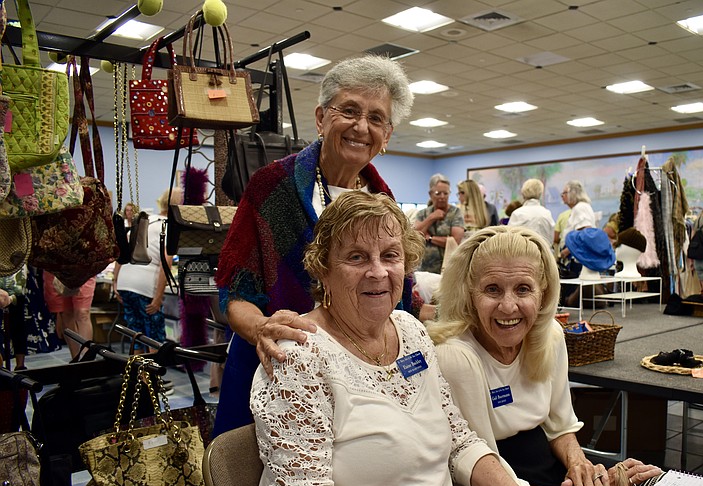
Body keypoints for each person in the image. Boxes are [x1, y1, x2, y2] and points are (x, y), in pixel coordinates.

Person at [252, 192, 599, 486]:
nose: (378, 271)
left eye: (390, 255)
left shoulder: (410, 331)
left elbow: (458, 440)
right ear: (322, 268)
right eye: (356, 257)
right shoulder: (298, 358)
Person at [215, 54, 415, 437]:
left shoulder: (383, 201)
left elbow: (400, 294)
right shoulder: (272, 186)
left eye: (376, 118)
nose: (361, 126)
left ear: (387, 135)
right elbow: (233, 291)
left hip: (359, 377)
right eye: (350, 111)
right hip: (277, 370)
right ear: (321, 118)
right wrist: (261, 328)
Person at [428, 226, 661, 486]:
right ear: (469, 294)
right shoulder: (456, 357)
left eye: (523, 289)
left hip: (545, 476)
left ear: (543, 293)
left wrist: (581, 467)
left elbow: (559, 426)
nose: (508, 306)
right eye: (492, 289)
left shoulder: (549, 336)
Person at [112, 189, 178, 352]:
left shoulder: (146, 221)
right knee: (154, 339)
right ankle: (152, 376)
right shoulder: (168, 227)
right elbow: (165, 265)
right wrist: (158, 298)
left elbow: (123, 251)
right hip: (145, 288)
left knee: (136, 335)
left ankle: (138, 376)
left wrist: (115, 282)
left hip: (125, 284)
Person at [413, 173, 464, 273]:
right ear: (430, 194)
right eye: (438, 193)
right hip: (424, 269)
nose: (442, 197)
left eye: (446, 193)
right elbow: (414, 236)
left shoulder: (455, 213)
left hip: (448, 268)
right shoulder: (422, 214)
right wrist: (431, 218)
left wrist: (430, 238)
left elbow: (454, 241)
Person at [42, 271, 96, 360]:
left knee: (82, 313)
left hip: (83, 267)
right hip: (55, 268)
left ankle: (87, 359)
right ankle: (75, 358)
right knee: (65, 313)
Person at [508, 178, 555, 244]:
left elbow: (509, 239)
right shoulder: (546, 213)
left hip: (521, 252)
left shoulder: (517, 213)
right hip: (543, 252)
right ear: (540, 193)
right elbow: (550, 239)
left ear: (523, 193)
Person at [552, 185, 572, 251]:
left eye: (564, 193)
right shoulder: (585, 211)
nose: (562, 196)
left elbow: (556, 239)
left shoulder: (562, 216)